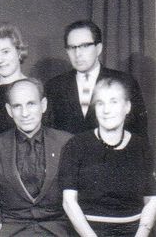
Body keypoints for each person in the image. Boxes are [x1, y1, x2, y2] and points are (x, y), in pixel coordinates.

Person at [59, 77, 156, 237]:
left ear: (127, 107)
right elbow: (69, 202)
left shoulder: (142, 147)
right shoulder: (76, 145)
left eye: (113, 102)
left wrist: (141, 234)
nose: (106, 110)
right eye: (100, 103)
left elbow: (152, 200)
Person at [0, 78, 73, 236]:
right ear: (9, 111)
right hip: (10, 231)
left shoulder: (67, 143)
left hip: (57, 231)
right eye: (17, 106)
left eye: (31, 104)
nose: (25, 113)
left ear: (43, 105)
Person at [45, 20, 147, 137]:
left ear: (98, 48)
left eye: (84, 46)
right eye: (72, 47)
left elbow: (139, 134)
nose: (78, 54)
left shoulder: (125, 83)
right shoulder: (54, 86)